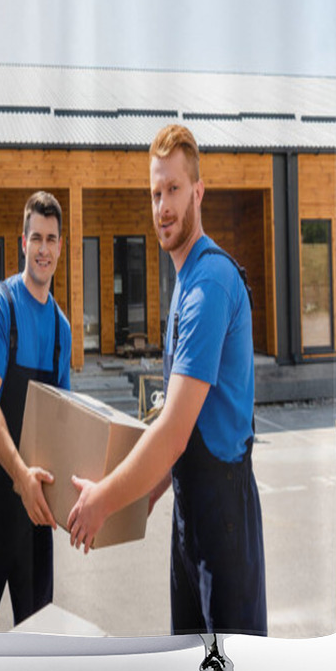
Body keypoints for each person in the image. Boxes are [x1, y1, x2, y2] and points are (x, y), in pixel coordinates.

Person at [67, 124, 267, 636]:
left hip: (223, 519)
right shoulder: (184, 284)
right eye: (155, 194)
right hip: (192, 514)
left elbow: (174, 429)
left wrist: (104, 501)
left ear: (198, 192)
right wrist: (147, 494)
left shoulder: (209, 286)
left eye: (174, 190)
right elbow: (179, 436)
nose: (163, 207)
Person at [0, 191, 72, 632]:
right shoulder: (0, 306)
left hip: (37, 512)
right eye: (36, 238)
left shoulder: (61, 329)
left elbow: (66, 420)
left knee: (37, 640)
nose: (43, 249)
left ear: (61, 246)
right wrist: (19, 475)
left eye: (51, 239)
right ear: (22, 243)